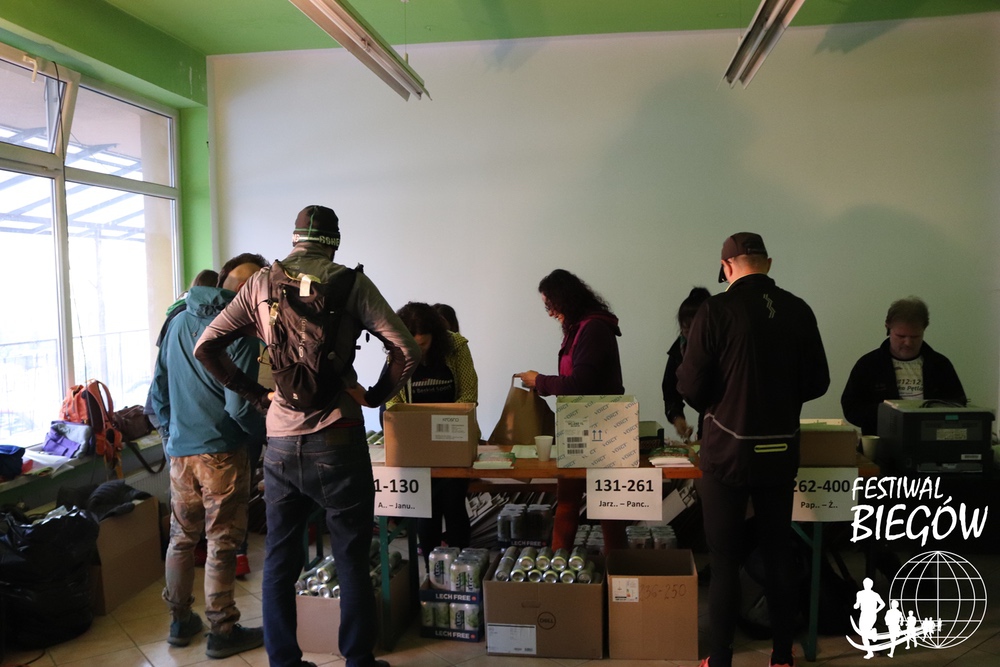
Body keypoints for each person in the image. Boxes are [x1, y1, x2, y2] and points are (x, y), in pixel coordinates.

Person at [194, 204, 420, 667]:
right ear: (334, 242)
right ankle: (358, 659)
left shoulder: (260, 284)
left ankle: (284, 661)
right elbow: (405, 348)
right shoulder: (351, 283)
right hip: (339, 436)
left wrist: (259, 396)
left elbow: (207, 346)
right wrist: (374, 396)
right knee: (351, 554)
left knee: (279, 558)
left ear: (294, 238)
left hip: (279, 442)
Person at [677, 232, 829, 667]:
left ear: (727, 267)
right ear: (768, 263)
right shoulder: (799, 309)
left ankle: (720, 659)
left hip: (727, 452)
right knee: (778, 552)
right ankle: (781, 656)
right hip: (781, 451)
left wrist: (721, 401)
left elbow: (690, 385)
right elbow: (818, 381)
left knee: (724, 560)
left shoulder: (716, 310)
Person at [150, 255, 268, 659]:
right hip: (223, 453)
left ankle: (179, 621)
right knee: (221, 543)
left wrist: (173, 439)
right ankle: (223, 629)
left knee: (181, 539)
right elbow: (239, 406)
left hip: (181, 454)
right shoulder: (240, 332)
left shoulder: (177, 320)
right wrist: (263, 436)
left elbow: (157, 394)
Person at [516, 268, 628, 554]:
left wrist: (539, 381)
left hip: (602, 428)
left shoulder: (593, 329)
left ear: (566, 300)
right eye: (547, 307)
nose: (551, 313)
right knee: (567, 501)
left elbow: (580, 383)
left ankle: (617, 573)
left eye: (551, 305)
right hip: (579, 425)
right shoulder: (581, 329)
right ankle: (558, 566)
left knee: (607, 507)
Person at [385, 302, 478, 557]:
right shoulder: (398, 352)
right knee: (425, 509)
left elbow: (468, 395)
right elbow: (392, 400)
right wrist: (412, 424)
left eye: (424, 344)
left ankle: (460, 568)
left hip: (454, 439)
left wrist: (442, 424)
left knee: (454, 504)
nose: (419, 350)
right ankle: (430, 569)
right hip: (416, 444)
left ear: (435, 336)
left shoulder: (456, 347)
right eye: (413, 345)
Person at [841, 297, 966, 435]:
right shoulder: (868, 365)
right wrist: (888, 413)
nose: (908, 343)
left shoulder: (940, 365)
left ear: (924, 328)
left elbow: (959, 404)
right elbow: (851, 409)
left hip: (931, 441)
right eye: (901, 336)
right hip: (882, 443)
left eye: (915, 337)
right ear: (888, 327)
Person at [661, 287, 711, 441]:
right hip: (706, 416)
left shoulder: (723, 348)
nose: (689, 334)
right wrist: (677, 417)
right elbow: (670, 390)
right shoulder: (679, 349)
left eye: (694, 327)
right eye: (685, 328)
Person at [853, 577, 885, 660]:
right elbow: (857, 604)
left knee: (865, 633)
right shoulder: (860, 594)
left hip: (869, 614)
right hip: (865, 614)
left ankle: (873, 635)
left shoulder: (874, 595)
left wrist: (876, 610)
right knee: (864, 634)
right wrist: (856, 606)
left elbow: (882, 604)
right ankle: (870, 652)